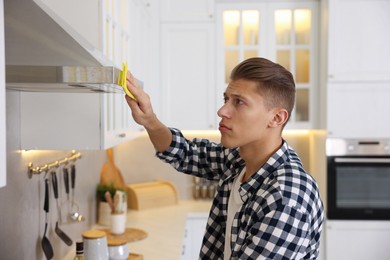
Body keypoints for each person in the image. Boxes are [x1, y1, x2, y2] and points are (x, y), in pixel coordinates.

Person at [125, 57, 324, 259]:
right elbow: (185, 153)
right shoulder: (239, 160)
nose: (222, 111)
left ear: (276, 118)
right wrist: (149, 120)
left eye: (239, 102)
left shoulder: (285, 198)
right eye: (226, 99)